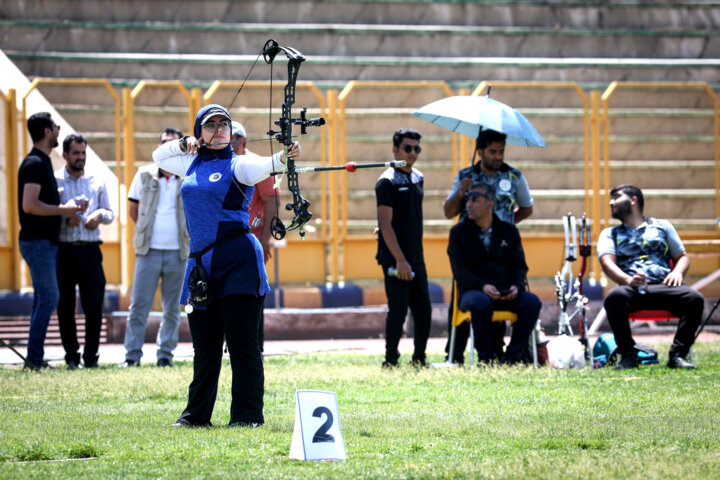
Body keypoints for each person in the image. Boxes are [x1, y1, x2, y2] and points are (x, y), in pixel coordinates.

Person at [153, 104, 300, 427]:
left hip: (239, 262)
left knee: (242, 345)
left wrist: (285, 156)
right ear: (199, 132)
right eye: (211, 125)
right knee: (205, 349)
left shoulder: (240, 163)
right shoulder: (188, 162)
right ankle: (195, 416)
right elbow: (158, 157)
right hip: (202, 265)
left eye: (224, 125)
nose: (219, 130)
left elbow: (269, 165)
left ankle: (247, 416)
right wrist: (182, 144)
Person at [442, 129, 534, 363]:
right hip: (469, 248)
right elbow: (448, 212)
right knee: (469, 301)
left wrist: (504, 228)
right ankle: (454, 355)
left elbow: (526, 208)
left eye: (501, 151)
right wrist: (462, 191)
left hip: (502, 247)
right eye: (492, 151)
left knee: (508, 299)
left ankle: (503, 355)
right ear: (480, 152)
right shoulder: (466, 175)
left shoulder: (514, 176)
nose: (498, 156)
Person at [597, 184, 704, 370]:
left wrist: (677, 272)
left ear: (633, 200)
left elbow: (682, 257)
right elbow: (607, 263)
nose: (611, 202)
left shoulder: (662, 226)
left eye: (616, 197)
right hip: (632, 289)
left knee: (694, 299)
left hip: (664, 285)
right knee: (614, 298)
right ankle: (628, 355)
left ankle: (677, 355)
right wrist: (628, 280)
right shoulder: (609, 234)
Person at [18, 112, 84, 370]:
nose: (59, 130)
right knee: (50, 297)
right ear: (47, 131)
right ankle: (34, 359)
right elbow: (29, 205)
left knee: (43, 298)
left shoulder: (41, 161)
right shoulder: (35, 163)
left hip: (44, 242)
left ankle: (35, 357)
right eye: (56, 126)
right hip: (38, 242)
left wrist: (63, 212)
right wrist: (64, 210)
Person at [447, 183, 541, 365]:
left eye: (475, 199)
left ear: (490, 203)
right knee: (480, 303)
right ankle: (486, 357)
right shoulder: (458, 233)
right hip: (473, 291)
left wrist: (517, 286)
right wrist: (482, 286)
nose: (468, 204)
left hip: (506, 291)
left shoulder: (509, 231)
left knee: (532, 302)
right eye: (468, 199)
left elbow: (520, 266)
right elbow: (460, 272)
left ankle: (513, 356)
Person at [121, 128, 189, 368]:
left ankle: (165, 355)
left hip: (179, 251)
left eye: (171, 143)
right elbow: (133, 210)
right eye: (162, 143)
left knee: (172, 308)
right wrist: (146, 232)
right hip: (148, 250)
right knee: (139, 305)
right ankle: (132, 356)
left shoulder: (188, 175)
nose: (165, 147)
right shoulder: (143, 175)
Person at [55, 133, 114, 369]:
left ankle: (91, 358)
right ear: (65, 155)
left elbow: (109, 213)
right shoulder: (55, 181)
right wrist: (64, 219)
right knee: (65, 306)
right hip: (65, 251)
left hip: (90, 250)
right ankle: (71, 356)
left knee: (94, 305)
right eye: (76, 153)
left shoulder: (96, 181)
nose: (80, 157)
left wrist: (98, 215)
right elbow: (49, 214)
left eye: (83, 153)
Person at [375, 128, 432, 368]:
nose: (412, 153)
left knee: (424, 310)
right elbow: (385, 222)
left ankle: (419, 358)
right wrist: (400, 260)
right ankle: (390, 360)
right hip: (396, 259)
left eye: (416, 148)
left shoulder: (418, 177)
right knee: (398, 311)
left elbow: (405, 217)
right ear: (395, 149)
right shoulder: (386, 181)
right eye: (407, 148)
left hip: (416, 256)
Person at [231, 121, 281, 352]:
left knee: (252, 294)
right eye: (231, 138)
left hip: (250, 241)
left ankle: (254, 348)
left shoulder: (256, 164)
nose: (234, 143)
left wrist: (265, 240)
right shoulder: (220, 163)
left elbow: (272, 200)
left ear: (244, 141)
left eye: (238, 138)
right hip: (225, 241)